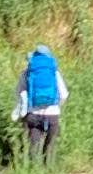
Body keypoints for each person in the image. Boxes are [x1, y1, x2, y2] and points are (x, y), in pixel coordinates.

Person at [18, 38, 66, 166]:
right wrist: (56, 106)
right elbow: (64, 94)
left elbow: (21, 94)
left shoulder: (27, 73)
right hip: (52, 115)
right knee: (50, 148)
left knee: (34, 149)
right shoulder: (54, 72)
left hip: (33, 115)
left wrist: (22, 113)